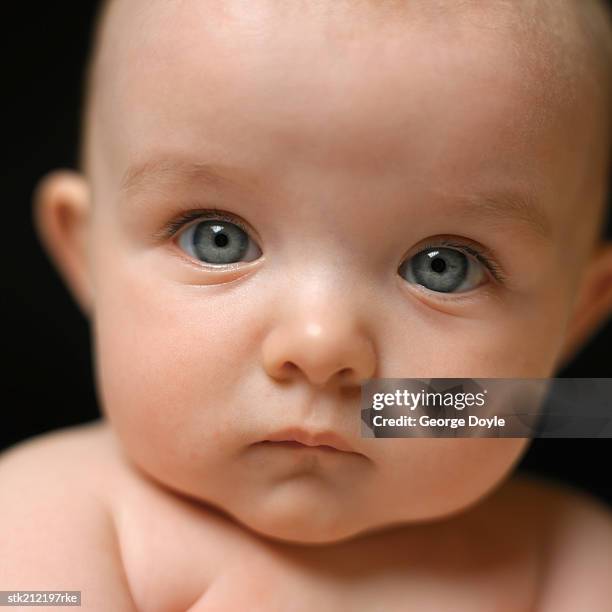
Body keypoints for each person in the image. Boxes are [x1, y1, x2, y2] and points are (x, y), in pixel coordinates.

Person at [2, 0, 612, 609]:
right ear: (87, 258)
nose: (321, 347)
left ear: (572, 318)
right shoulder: (50, 523)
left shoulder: (573, 561)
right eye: (219, 240)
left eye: (444, 268)